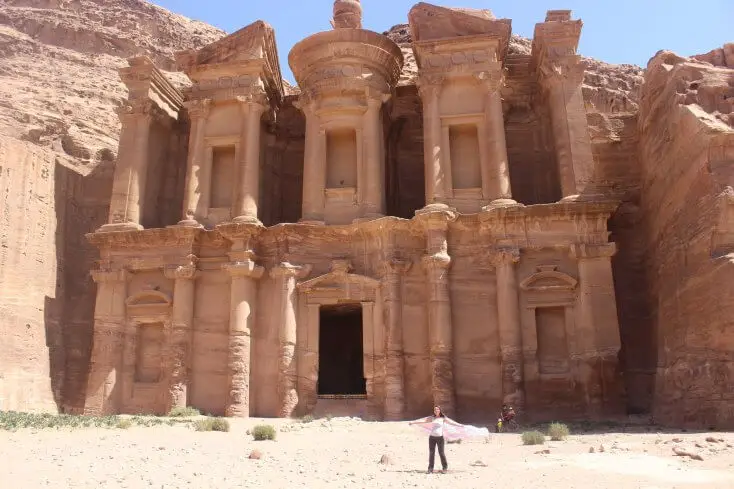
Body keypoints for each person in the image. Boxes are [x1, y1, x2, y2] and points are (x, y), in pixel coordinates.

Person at [409, 406, 463, 474]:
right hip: (432, 438)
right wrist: (413, 422)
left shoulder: (443, 418)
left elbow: (451, 422)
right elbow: (423, 421)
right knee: (431, 453)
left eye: (437, 409)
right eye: (435, 409)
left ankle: (444, 468)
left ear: (440, 410)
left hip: (440, 438)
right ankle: (430, 469)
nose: (436, 410)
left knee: (441, 453)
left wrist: (460, 425)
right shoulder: (432, 418)